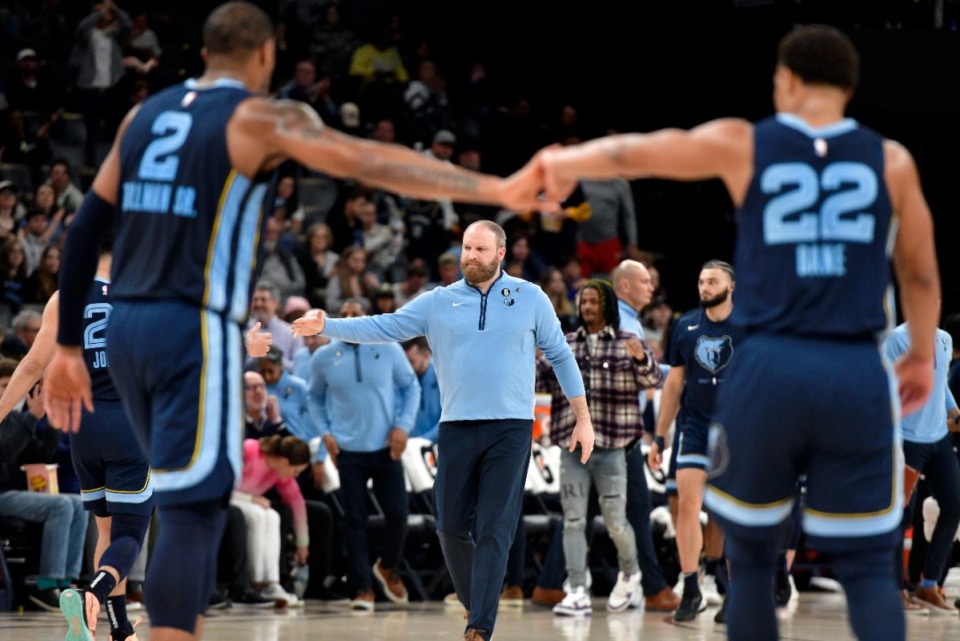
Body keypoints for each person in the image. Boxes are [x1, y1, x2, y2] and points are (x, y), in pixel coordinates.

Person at [44, 4, 552, 641]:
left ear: (204, 52)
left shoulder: (141, 116)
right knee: (192, 513)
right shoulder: (260, 115)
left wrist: (67, 346)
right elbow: (365, 160)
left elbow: (87, 227)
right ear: (265, 55)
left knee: (172, 503)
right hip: (187, 326)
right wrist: (497, 189)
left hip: (123, 330)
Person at [539, 24, 939, 641]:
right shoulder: (892, 160)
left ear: (786, 81)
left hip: (770, 365)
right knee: (867, 568)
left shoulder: (746, 143)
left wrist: (561, 161)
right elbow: (918, 272)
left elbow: (641, 151)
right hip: (854, 369)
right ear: (851, 88)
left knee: (749, 560)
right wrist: (918, 358)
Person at [292, 220, 593, 641]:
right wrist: (327, 326)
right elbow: (383, 326)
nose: (469, 256)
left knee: (494, 528)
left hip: (511, 428)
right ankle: (479, 602)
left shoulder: (531, 297)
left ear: (501, 253)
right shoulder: (437, 301)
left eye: (480, 250)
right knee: (449, 526)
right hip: (455, 427)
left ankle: (479, 627)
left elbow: (561, 355)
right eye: (466, 248)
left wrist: (583, 417)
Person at [0, 245, 153, 640]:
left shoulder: (64, 295)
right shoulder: (140, 291)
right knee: (130, 534)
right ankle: (94, 593)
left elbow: (33, 364)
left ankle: (119, 631)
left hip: (83, 426)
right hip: (129, 424)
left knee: (105, 530)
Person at [537, 279, 662, 617]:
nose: (587, 308)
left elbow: (654, 381)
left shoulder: (628, 342)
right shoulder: (565, 344)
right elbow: (541, 382)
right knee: (574, 520)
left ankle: (630, 571)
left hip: (612, 446)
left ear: (606, 305)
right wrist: (530, 356)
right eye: (583, 303)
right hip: (573, 447)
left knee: (616, 522)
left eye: (593, 302)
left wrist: (642, 360)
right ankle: (577, 588)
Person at [308, 298, 420, 611]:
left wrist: (403, 426)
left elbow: (410, 387)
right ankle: (361, 588)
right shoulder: (323, 357)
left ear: (367, 317)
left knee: (398, 514)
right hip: (348, 451)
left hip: (387, 447)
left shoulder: (388, 347)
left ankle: (388, 565)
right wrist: (326, 434)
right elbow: (314, 398)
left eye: (355, 314)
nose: (349, 319)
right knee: (353, 520)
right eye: (343, 315)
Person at [649, 260, 744, 622]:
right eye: (701, 281)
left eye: (712, 281)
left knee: (735, 511)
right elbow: (674, 384)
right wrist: (660, 436)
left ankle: (736, 590)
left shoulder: (749, 325)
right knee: (687, 507)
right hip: (695, 426)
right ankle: (691, 586)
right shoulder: (685, 324)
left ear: (731, 286)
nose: (704, 287)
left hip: (736, 430)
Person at [884, 318, 960, 613]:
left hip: (938, 437)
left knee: (954, 504)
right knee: (901, 516)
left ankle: (928, 584)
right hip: (907, 439)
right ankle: (895, 589)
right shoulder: (896, 340)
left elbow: (941, 381)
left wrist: (954, 410)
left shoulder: (945, 339)